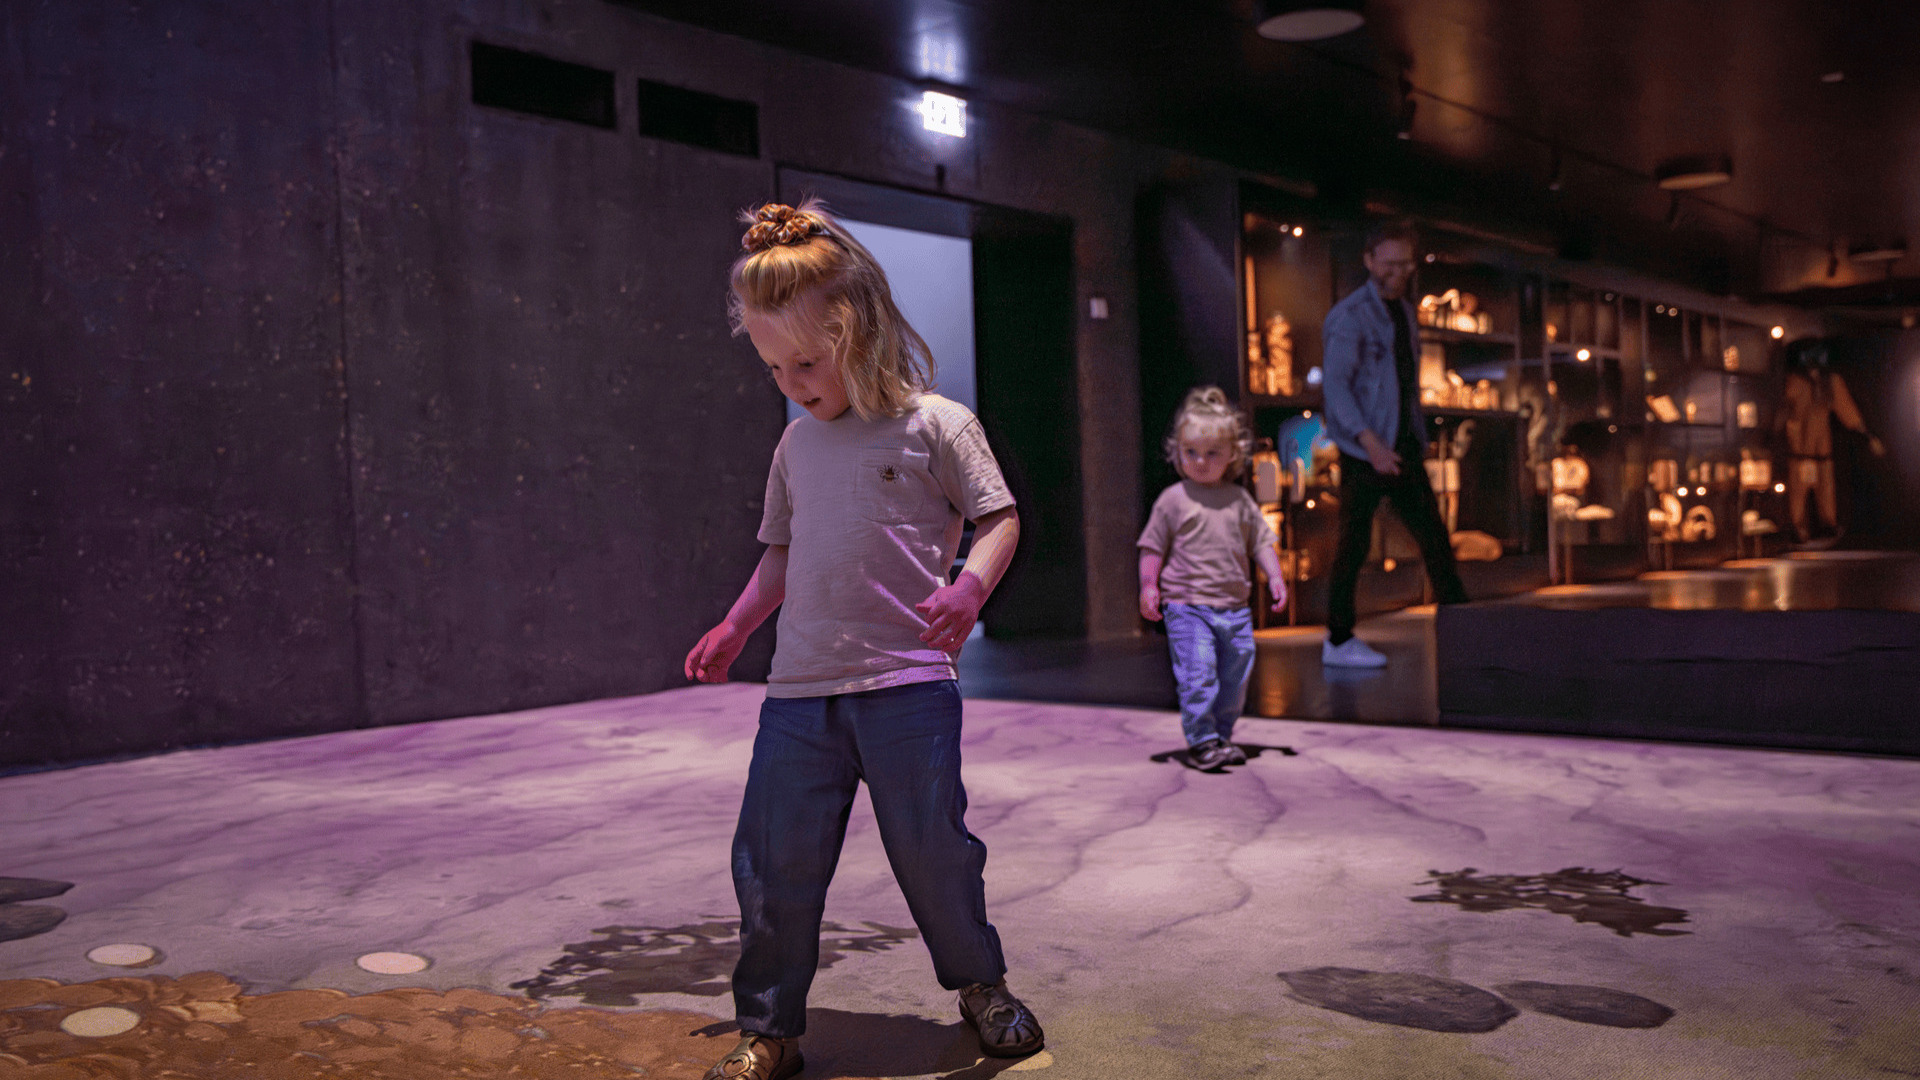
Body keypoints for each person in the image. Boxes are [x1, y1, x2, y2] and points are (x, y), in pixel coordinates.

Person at [684, 201, 1043, 1080]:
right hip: (800, 690)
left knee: (933, 849)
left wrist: (968, 587)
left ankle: (980, 985)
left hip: (907, 682)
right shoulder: (796, 445)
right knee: (772, 859)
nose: (792, 381)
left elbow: (1000, 518)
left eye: (807, 360)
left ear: (862, 330)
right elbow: (779, 555)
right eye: (774, 366)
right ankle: (771, 1027)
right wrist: (737, 625)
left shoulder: (937, 425)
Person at [1319, 220, 1469, 668]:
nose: (1398, 271)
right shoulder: (1349, 317)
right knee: (1354, 544)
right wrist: (1370, 444)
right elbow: (1337, 388)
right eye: (1389, 263)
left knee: (1436, 541)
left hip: (1402, 445)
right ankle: (1339, 639)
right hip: (1366, 451)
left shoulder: (1403, 312)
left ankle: (1466, 632)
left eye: (1404, 263)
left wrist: (1410, 439)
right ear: (1369, 261)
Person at [1138, 387, 1286, 771]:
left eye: (1212, 453)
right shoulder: (1173, 499)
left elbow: (1262, 543)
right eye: (1191, 453)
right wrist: (1149, 585)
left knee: (1236, 678)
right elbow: (1152, 547)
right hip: (1187, 608)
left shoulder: (1239, 500)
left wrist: (1275, 576)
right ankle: (1202, 740)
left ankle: (1221, 734)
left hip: (1235, 610)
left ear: (1232, 455)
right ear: (1178, 452)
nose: (1201, 461)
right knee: (1198, 674)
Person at [1776, 338, 1884, 543]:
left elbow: (1847, 411)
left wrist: (1867, 435)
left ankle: (1828, 525)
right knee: (1798, 493)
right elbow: (1782, 409)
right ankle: (1797, 528)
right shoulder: (1795, 382)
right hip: (1799, 451)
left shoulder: (1830, 383)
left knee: (1825, 490)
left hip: (1821, 451)